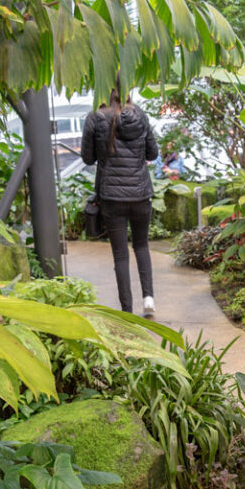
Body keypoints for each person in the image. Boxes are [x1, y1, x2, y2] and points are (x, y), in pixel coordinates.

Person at [81, 85, 159, 318]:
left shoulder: (95, 117)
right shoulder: (140, 115)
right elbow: (152, 153)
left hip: (112, 197)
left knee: (120, 254)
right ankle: (149, 299)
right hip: (140, 193)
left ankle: (127, 309)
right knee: (142, 246)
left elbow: (87, 157)